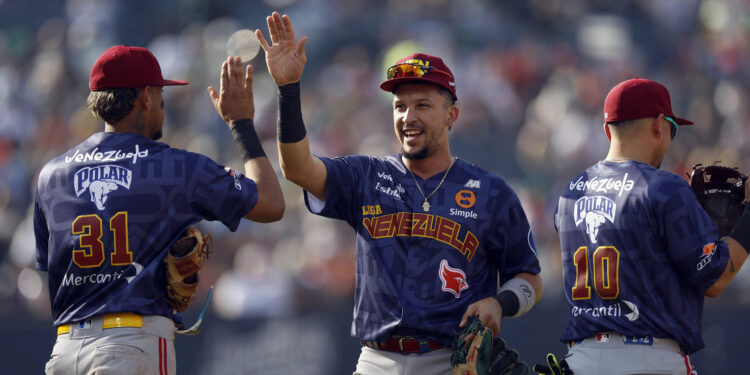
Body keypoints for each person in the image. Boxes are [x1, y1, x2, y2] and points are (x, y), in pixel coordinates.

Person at [255, 12, 543, 374]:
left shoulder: (491, 192)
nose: (408, 116)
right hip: (377, 360)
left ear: (452, 115)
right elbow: (297, 169)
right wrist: (288, 89)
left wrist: (500, 303)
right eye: (400, 106)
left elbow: (529, 277)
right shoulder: (366, 175)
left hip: (451, 360)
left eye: (422, 105)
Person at [34, 45, 284, 374]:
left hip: (64, 351)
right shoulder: (174, 167)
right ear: (146, 97)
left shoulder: (52, 174)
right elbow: (270, 203)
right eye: (160, 92)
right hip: (129, 346)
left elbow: (49, 272)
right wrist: (241, 124)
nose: (163, 103)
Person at [553, 78, 750, 374]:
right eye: (673, 128)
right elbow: (715, 277)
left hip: (581, 360)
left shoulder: (570, 193)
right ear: (659, 125)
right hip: (650, 359)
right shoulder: (663, 187)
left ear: (608, 131)